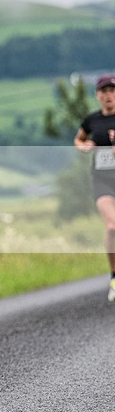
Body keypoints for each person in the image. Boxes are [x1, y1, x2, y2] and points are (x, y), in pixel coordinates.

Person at [74, 73, 115, 302]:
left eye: (112, 91)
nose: (109, 96)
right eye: (105, 91)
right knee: (111, 227)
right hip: (102, 180)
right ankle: (114, 276)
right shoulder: (92, 120)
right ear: (98, 95)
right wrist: (84, 146)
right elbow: (78, 139)